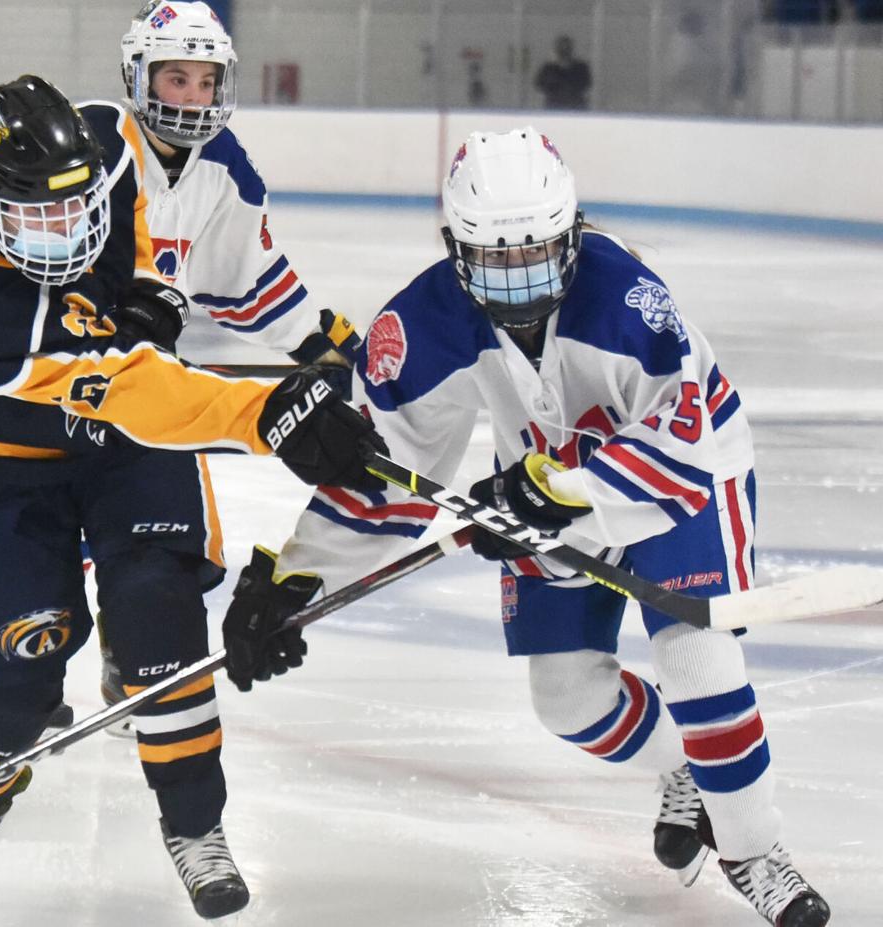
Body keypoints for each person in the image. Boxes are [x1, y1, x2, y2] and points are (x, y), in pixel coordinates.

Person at [221, 128, 831, 927]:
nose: (520, 277)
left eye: (538, 251)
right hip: (545, 485)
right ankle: (686, 769)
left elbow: (681, 446)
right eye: (495, 258)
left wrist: (559, 491)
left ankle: (755, 850)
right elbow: (391, 473)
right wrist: (299, 575)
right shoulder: (424, 324)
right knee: (568, 699)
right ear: (455, 249)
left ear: (571, 234)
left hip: (681, 482)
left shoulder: (625, 298)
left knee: (698, 661)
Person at [0, 74, 384, 920]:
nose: (65, 229)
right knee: (19, 676)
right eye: (37, 215)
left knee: (159, 616)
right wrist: (266, 414)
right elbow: (139, 389)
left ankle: (195, 824)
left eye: (75, 208)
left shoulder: (101, 154)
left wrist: (152, 294)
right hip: (5, 472)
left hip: (123, 456)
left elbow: (138, 221)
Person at [79, 0, 361, 734]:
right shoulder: (92, 147)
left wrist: (319, 342)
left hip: (149, 387)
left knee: (161, 539)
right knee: (54, 539)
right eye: (177, 79)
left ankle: (128, 642)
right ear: (138, 77)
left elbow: (250, 278)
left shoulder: (225, 166)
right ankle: (30, 667)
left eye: (206, 82)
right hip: (61, 380)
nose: (195, 98)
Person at [534, 35, 591, 110]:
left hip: (576, 106)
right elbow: (539, 84)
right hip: (553, 106)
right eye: (561, 48)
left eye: (567, 48)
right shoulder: (548, 68)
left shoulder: (581, 68)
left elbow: (586, 83)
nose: (564, 51)